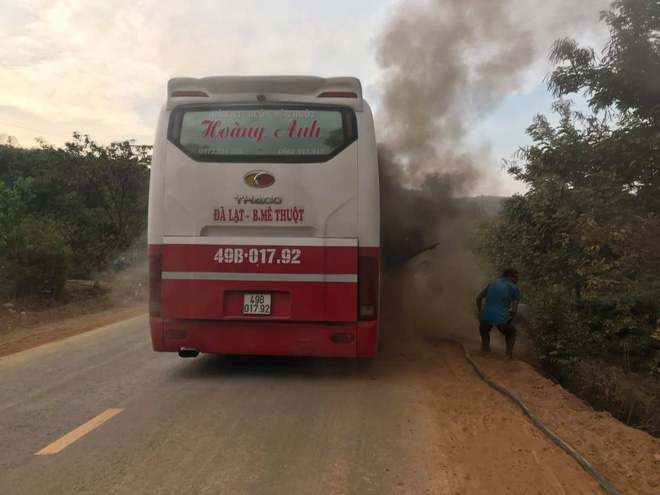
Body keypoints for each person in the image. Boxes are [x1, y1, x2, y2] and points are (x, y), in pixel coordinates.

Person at [476, 268, 521, 360]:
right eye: (515, 277)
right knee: (511, 332)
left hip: (486, 316)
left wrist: (480, 311)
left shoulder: (492, 284)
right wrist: (511, 318)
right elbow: (514, 308)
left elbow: (478, 298)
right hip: (502, 318)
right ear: (510, 277)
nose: (517, 279)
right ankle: (508, 355)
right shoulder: (513, 287)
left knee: (483, 329)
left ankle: (485, 350)